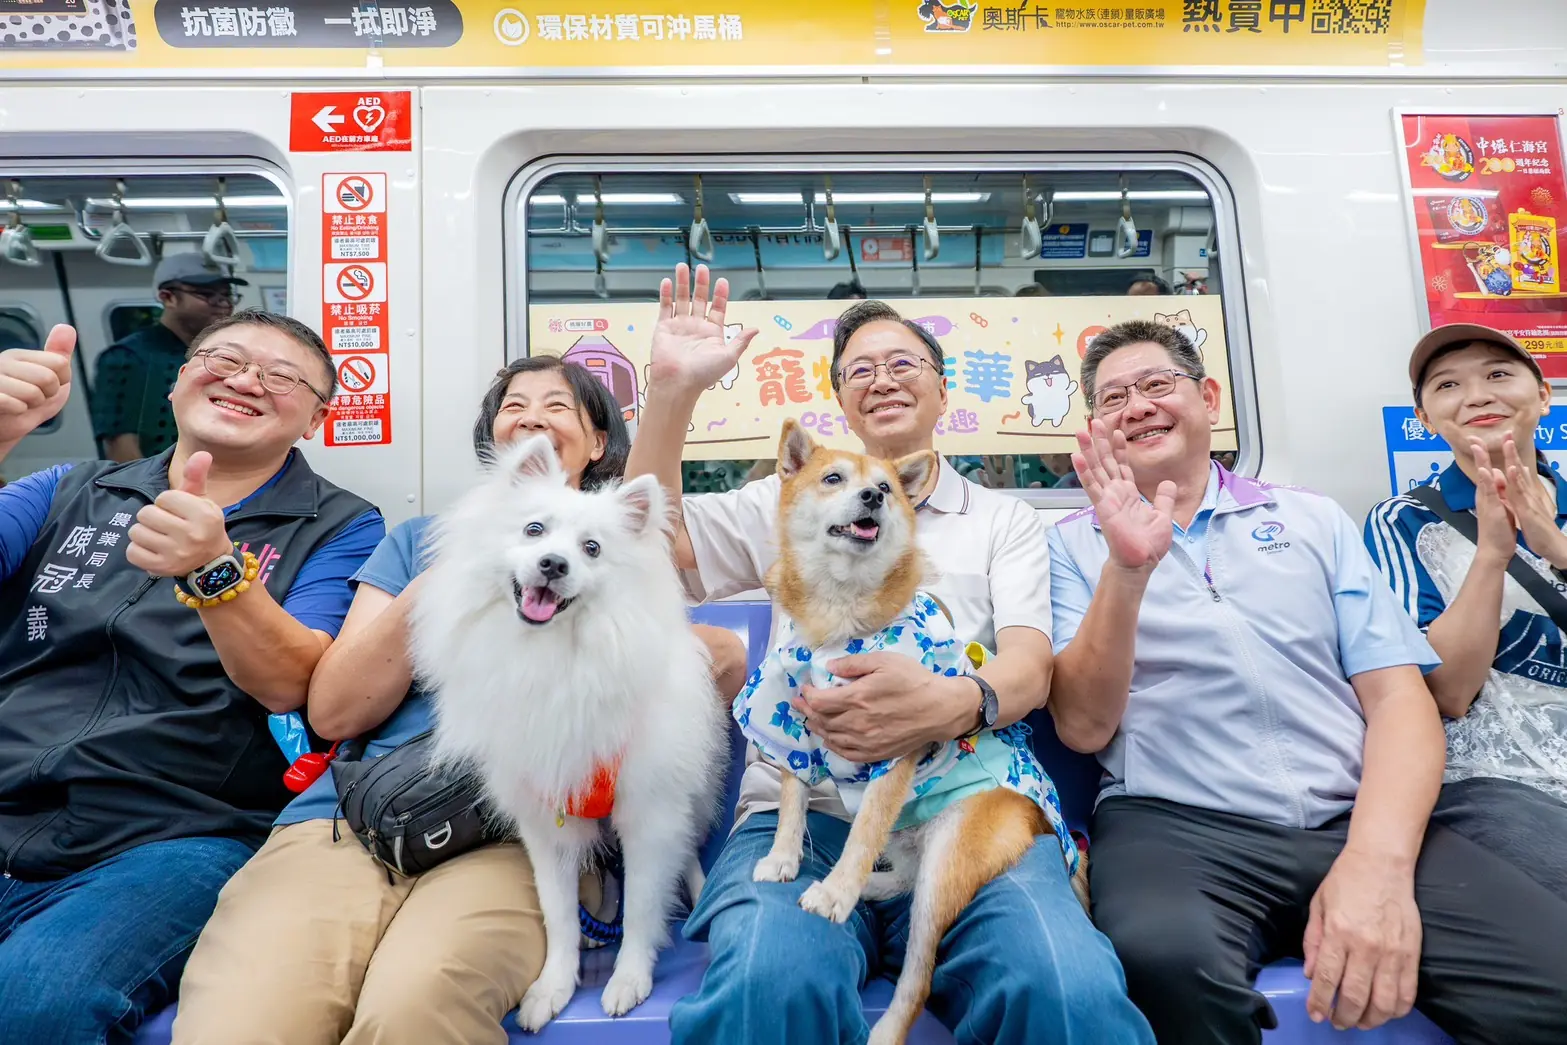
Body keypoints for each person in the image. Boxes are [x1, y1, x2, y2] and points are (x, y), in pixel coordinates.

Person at [629, 263, 1153, 1045]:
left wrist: (947, 703)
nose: (882, 379)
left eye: (903, 363)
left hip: (958, 808)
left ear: (944, 391)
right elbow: (650, 534)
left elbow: (1028, 667)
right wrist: (670, 391)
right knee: (765, 989)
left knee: (1065, 990)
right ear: (840, 399)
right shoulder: (793, 495)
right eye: (859, 370)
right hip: (801, 818)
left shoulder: (1002, 520)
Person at [171, 354, 749, 1045]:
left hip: (500, 841)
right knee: (246, 1018)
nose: (532, 415)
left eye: (557, 405)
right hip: (353, 819)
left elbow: (683, 643)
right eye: (515, 405)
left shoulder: (621, 557)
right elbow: (332, 712)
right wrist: (446, 575)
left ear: (598, 442)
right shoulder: (415, 543)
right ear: (494, 439)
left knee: (416, 1012)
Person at [1047, 318, 1567, 1045]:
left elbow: (1398, 699)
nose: (1135, 405)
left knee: (1551, 980)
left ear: (1207, 395)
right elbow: (1082, 726)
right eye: (1112, 399)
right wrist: (1126, 571)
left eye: (1156, 384)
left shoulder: (1308, 518)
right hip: (1175, 822)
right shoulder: (1067, 545)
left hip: (1347, 810)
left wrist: (1375, 865)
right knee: (1163, 964)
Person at [0, 310, 384, 1044]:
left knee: (33, 1007)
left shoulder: (339, 525)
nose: (244, 380)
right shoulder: (69, 488)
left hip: (174, 834)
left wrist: (218, 574)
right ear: (178, 381)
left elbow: (296, 684)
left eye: (279, 376)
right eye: (224, 359)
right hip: (12, 794)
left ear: (317, 417)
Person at [1365, 323, 1567, 903]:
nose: (1477, 395)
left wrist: (1554, 549)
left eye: (1498, 375)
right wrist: (1492, 555)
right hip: (1498, 787)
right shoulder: (1402, 522)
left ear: (1545, 394)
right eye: (1448, 384)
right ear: (1425, 418)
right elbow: (1447, 692)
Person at [93, 252, 247, 461]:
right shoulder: (128, 357)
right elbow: (120, 443)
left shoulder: (221, 356)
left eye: (226, 295)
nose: (222, 303)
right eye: (206, 294)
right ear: (168, 297)